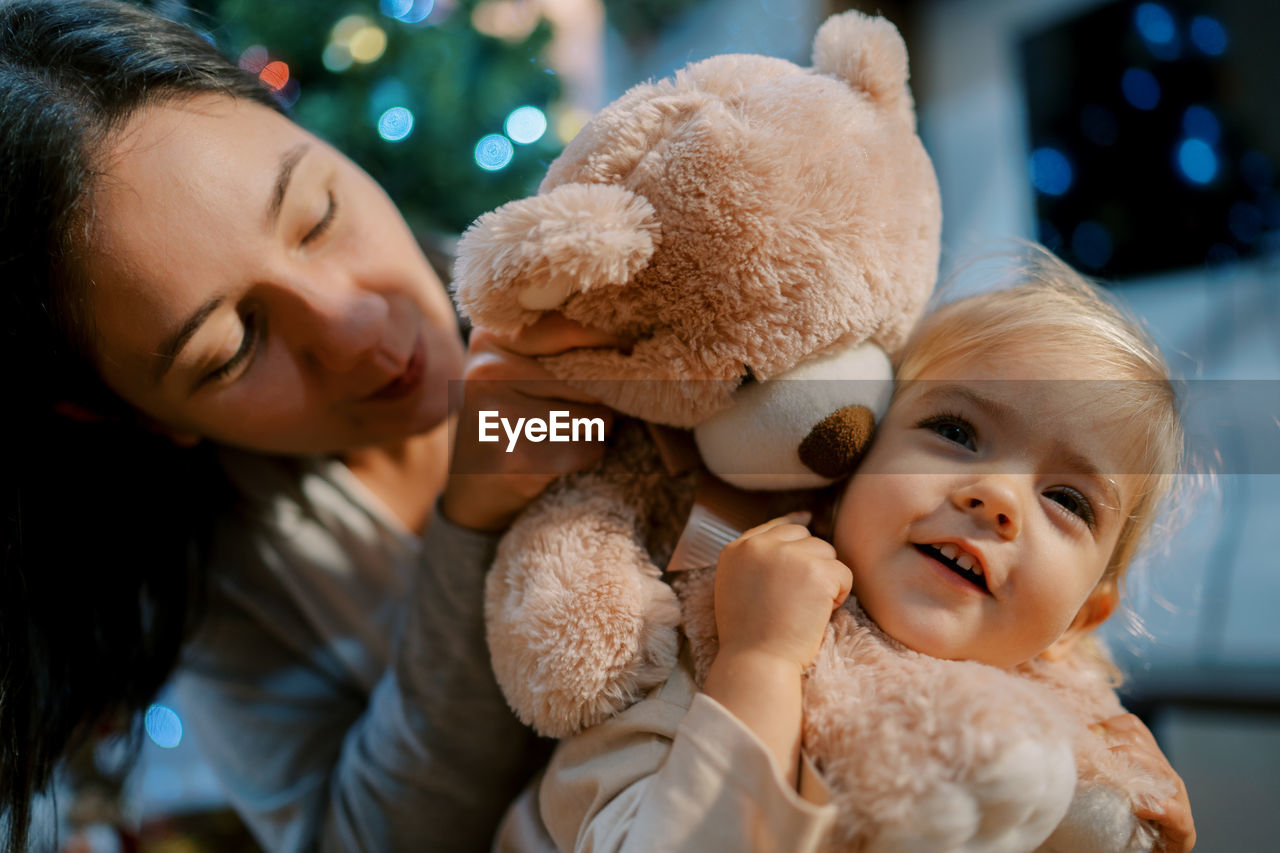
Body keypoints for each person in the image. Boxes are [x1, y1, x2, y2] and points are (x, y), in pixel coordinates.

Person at [0, 1, 619, 850]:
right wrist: (470, 525)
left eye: (318, 216)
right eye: (230, 348)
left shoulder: (575, 268)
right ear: (141, 416)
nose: (359, 330)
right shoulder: (231, 589)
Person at [498, 253, 1197, 852]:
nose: (997, 495)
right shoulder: (713, 613)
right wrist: (760, 661)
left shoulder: (1073, 730)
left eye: (1069, 501)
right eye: (956, 430)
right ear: (850, 467)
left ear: (1084, 615)